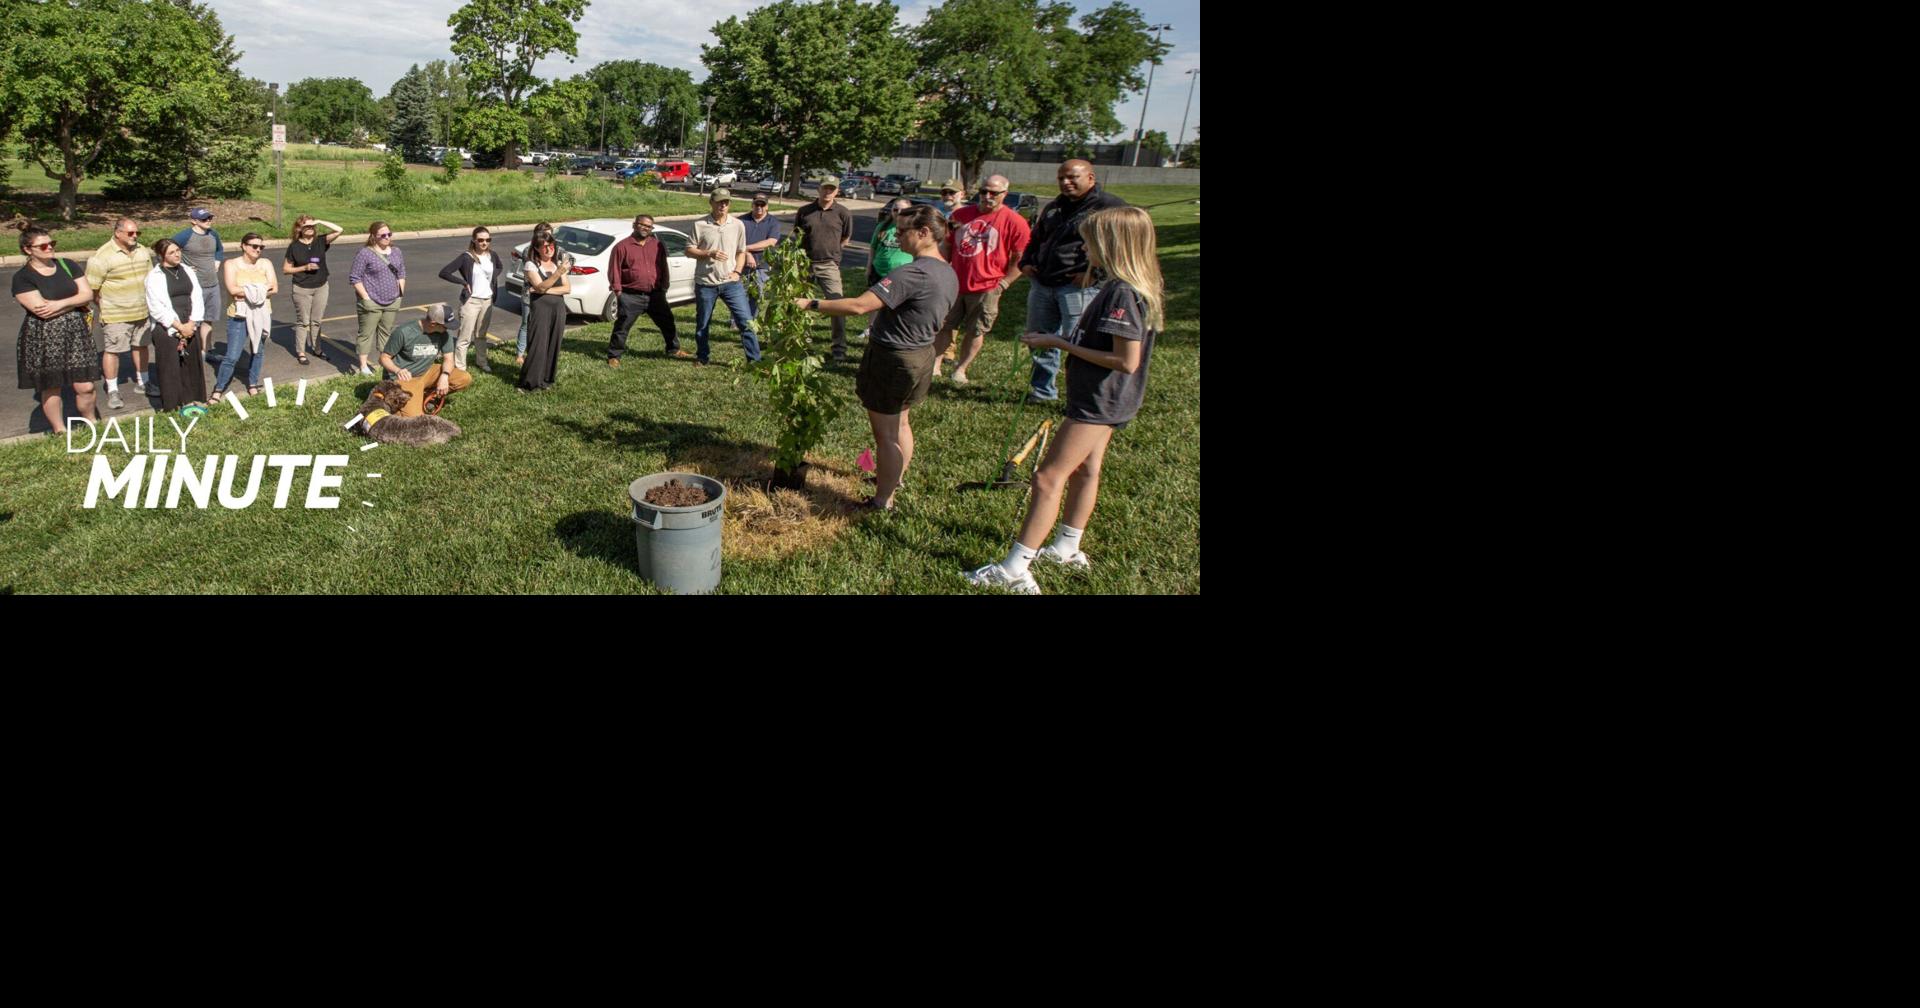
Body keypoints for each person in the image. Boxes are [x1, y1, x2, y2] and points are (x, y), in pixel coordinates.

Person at [964, 207, 1162, 594]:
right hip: (1111, 400)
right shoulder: (1134, 285)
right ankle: (1067, 546)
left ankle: (1014, 569)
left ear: (1112, 244)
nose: (1084, 248)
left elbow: (1126, 360)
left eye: (1090, 241)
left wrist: (1058, 342)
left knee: (1047, 477)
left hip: (1098, 402)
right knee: (1086, 470)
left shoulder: (1122, 291)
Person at [791, 206, 955, 512]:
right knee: (902, 423)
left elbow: (858, 306)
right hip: (921, 355)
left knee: (886, 435)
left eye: (903, 230)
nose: (896, 236)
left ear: (924, 233)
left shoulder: (912, 272)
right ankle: (894, 479)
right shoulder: (946, 270)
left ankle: (882, 500)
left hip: (893, 358)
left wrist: (809, 303)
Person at [1016, 159, 1127, 403]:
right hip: (1043, 284)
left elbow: (1123, 246)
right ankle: (1042, 391)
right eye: (1061, 178)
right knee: (1039, 338)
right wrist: (1025, 262)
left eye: (1072, 177)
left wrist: (1096, 275)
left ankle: (1082, 395)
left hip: (1078, 288)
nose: (1066, 183)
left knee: (1081, 343)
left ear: (1091, 177)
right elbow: (1036, 238)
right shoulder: (1055, 206)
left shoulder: (1109, 206)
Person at [932, 173, 1031, 384]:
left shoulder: (1016, 222)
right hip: (955, 283)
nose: (987, 196)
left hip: (988, 286)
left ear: (1004, 194)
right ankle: (935, 365)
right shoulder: (961, 215)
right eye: (983, 191)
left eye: (993, 193)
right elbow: (948, 244)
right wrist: (942, 270)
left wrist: (1003, 283)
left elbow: (1021, 258)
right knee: (945, 325)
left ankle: (960, 369)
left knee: (976, 329)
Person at [12, 228, 99, 434]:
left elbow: (86, 295)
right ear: (28, 250)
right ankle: (60, 430)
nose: (50, 247)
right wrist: (73, 303)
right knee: (52, 386)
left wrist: (59, 304)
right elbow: (43, 312)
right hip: (43, 335)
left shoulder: (67, 265)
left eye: (52, 243)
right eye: (43, 246)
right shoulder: (23, 277)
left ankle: (92, 424)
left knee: (86, 385)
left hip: (76, 331)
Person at [86, 218, 154, 410]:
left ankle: (144, 382)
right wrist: (106, 305)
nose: (135, 236)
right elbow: (92, 289)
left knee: (141, 346)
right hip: (116, 313)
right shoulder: (102, 256)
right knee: (113, 351)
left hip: (142, 311)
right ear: (118, 233)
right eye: (130, 233)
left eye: (137, 233)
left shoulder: (142, 251)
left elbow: (150, 279)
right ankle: (113, 389)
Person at [688, 188, 760, 365]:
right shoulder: (699, 225)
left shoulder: (737, 225)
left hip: (731, 283)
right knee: (703, 324)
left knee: (746, 322)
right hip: (705, 283)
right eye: (719, 202)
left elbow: (741, 251)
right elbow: (689, 250)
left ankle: (755, 361)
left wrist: (737, 272)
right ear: (711, 203)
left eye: (726, 202)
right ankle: (702, 357)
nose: (723, 205)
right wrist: (708, 253)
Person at [604, 214, 685, 364]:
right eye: (642, 225)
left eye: (649, 226)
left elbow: (663, 266)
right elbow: (614, 270)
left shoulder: (657, 245)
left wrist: (664, 285)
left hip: (655, 294)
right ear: (635, 225)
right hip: (631, 295)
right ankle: (614, 356)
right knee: (622, 327)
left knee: (667, 321)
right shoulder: (622, 247)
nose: (645, 228)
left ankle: (673, 349)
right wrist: (618, 292)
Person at [143, 238, 210, 412]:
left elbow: (196, 296)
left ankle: (192, 399)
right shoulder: (154, 277)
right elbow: (156, 307)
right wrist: (179, 327)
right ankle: (172, 405)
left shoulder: (187, 270)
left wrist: (192, 323)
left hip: (190, 322)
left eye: (178, 250)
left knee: (191, 363)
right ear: (162, 255)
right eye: (172, 252)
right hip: (168, 326)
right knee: (170, 367)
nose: (177, 254)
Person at [793, 176, 854, 360]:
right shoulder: (804, 211)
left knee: (837, 305)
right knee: (800, 304)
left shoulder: (843, 213)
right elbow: (797, 237)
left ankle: (839, 350)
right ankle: (800, 343)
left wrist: (833, 254)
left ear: (837, 191)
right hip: (805, 265)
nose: (828, 191)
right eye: (825, 188)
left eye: (832, 189)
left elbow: (846, 238)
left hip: (829, 265)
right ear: (819, 189)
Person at [213, 231, 277, 401]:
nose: (258, 249)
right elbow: (232, 290)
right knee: (232, 356)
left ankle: (252, 383)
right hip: (238, 316)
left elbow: (275, 289)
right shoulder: (231, 264)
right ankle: (218, 389)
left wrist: (247, 291)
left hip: (262, 314)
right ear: (243, 246)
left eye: (261, 247)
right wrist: (261, 289)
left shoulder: (266, 263)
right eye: (254, 246)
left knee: (258, 351)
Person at [379, 303, 472, 415]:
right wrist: (398, 370)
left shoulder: (443, 334)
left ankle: (427, 394)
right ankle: (393, 401)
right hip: (405, 378)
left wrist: (445, 375)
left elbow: (449, 359)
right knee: (414, 416)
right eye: (446, 325)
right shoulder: (404, 332)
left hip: (426, 372)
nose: (448, 328)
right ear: (433, 324)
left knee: (464, 378)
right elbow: (384, 358)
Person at [437, 226, 504, 373]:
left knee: (481, 335)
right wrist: (463, 282)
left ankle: (482, 362)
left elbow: (499, 267)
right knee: (465, 336)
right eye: (480, 240)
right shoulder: (466, 257)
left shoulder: (492, 255)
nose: (484, 243)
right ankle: (460, 368)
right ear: (474, 240)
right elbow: (444, 272)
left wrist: (492, 278)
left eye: (487, 240)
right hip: (471, 301)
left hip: (487, 301)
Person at [283, 214, 345, 365]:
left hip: (321, 286)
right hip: (302, 288)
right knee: (303, 322)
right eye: (306, 226)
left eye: (312, 226)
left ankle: (317, 349)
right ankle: (301, 352)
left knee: (316, 321)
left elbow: (339, 230)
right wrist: (305, 267)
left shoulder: (321, 241)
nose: (310, 228)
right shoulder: (294, 246)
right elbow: (286, 269)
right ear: (299, 229)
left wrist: (320, 221)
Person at [349, 221, 405, 376]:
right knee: (366, 333)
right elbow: (355, 277)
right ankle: (363, 366)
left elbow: (401, 273)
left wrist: (400, 294)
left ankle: (385, 361)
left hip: (392, 300)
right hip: (371, 301)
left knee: (386, 332)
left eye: (389, 234)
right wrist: (366, 298)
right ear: (374, 237)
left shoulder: (396, 251)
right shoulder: (365, 253)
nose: (387, 238)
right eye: (383, 235)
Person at [516, 229, 571, 391]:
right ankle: (529, 383)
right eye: (545, 246)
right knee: (537, 344)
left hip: (558, 309)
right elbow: (539, 285)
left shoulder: (556, 263)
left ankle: (546, 379)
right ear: (537, 248)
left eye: (551, 245)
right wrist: (557, 274)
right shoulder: (530, 265)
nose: (549, 249)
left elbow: (567, 288)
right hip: (540, 308)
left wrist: (543, 289)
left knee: (553, 342)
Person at [172, 207, 225, 347]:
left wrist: (217, 261)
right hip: (195, 287)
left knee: (209, 320)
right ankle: (190, 351)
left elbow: (219, 250)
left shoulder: (213, 234)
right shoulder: (184, 236)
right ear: (194, 221)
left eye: (210, 218)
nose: (208, 221)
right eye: (204, 219)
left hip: (213, 284)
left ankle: (205, 350)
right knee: (193, 320)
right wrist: (183, 266)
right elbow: (166, 251)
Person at [514, 222, 554, 367]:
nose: (548, 237)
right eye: (544, 234)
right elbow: (536, 267)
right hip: (529, 293)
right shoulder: (528, 251)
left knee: (542, 325)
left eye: (550, 234)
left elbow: (569, 258)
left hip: (547, 294)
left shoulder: (554, 248)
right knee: (526, 323)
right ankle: (520, 353)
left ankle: (538, 351)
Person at [740, 194, 783, 318]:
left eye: (762, 205)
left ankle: (752, 319)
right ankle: (736, 321)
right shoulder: (742, 220)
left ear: (767, 207)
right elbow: (736, 241)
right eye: (756, 204)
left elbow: (771, 242)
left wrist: (747, 248)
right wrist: (747, 254)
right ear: (752, 205)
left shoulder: (773, 222)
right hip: (741, 262)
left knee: (758, 293)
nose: (759, 207)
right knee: (740, 293)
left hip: (762, 264)